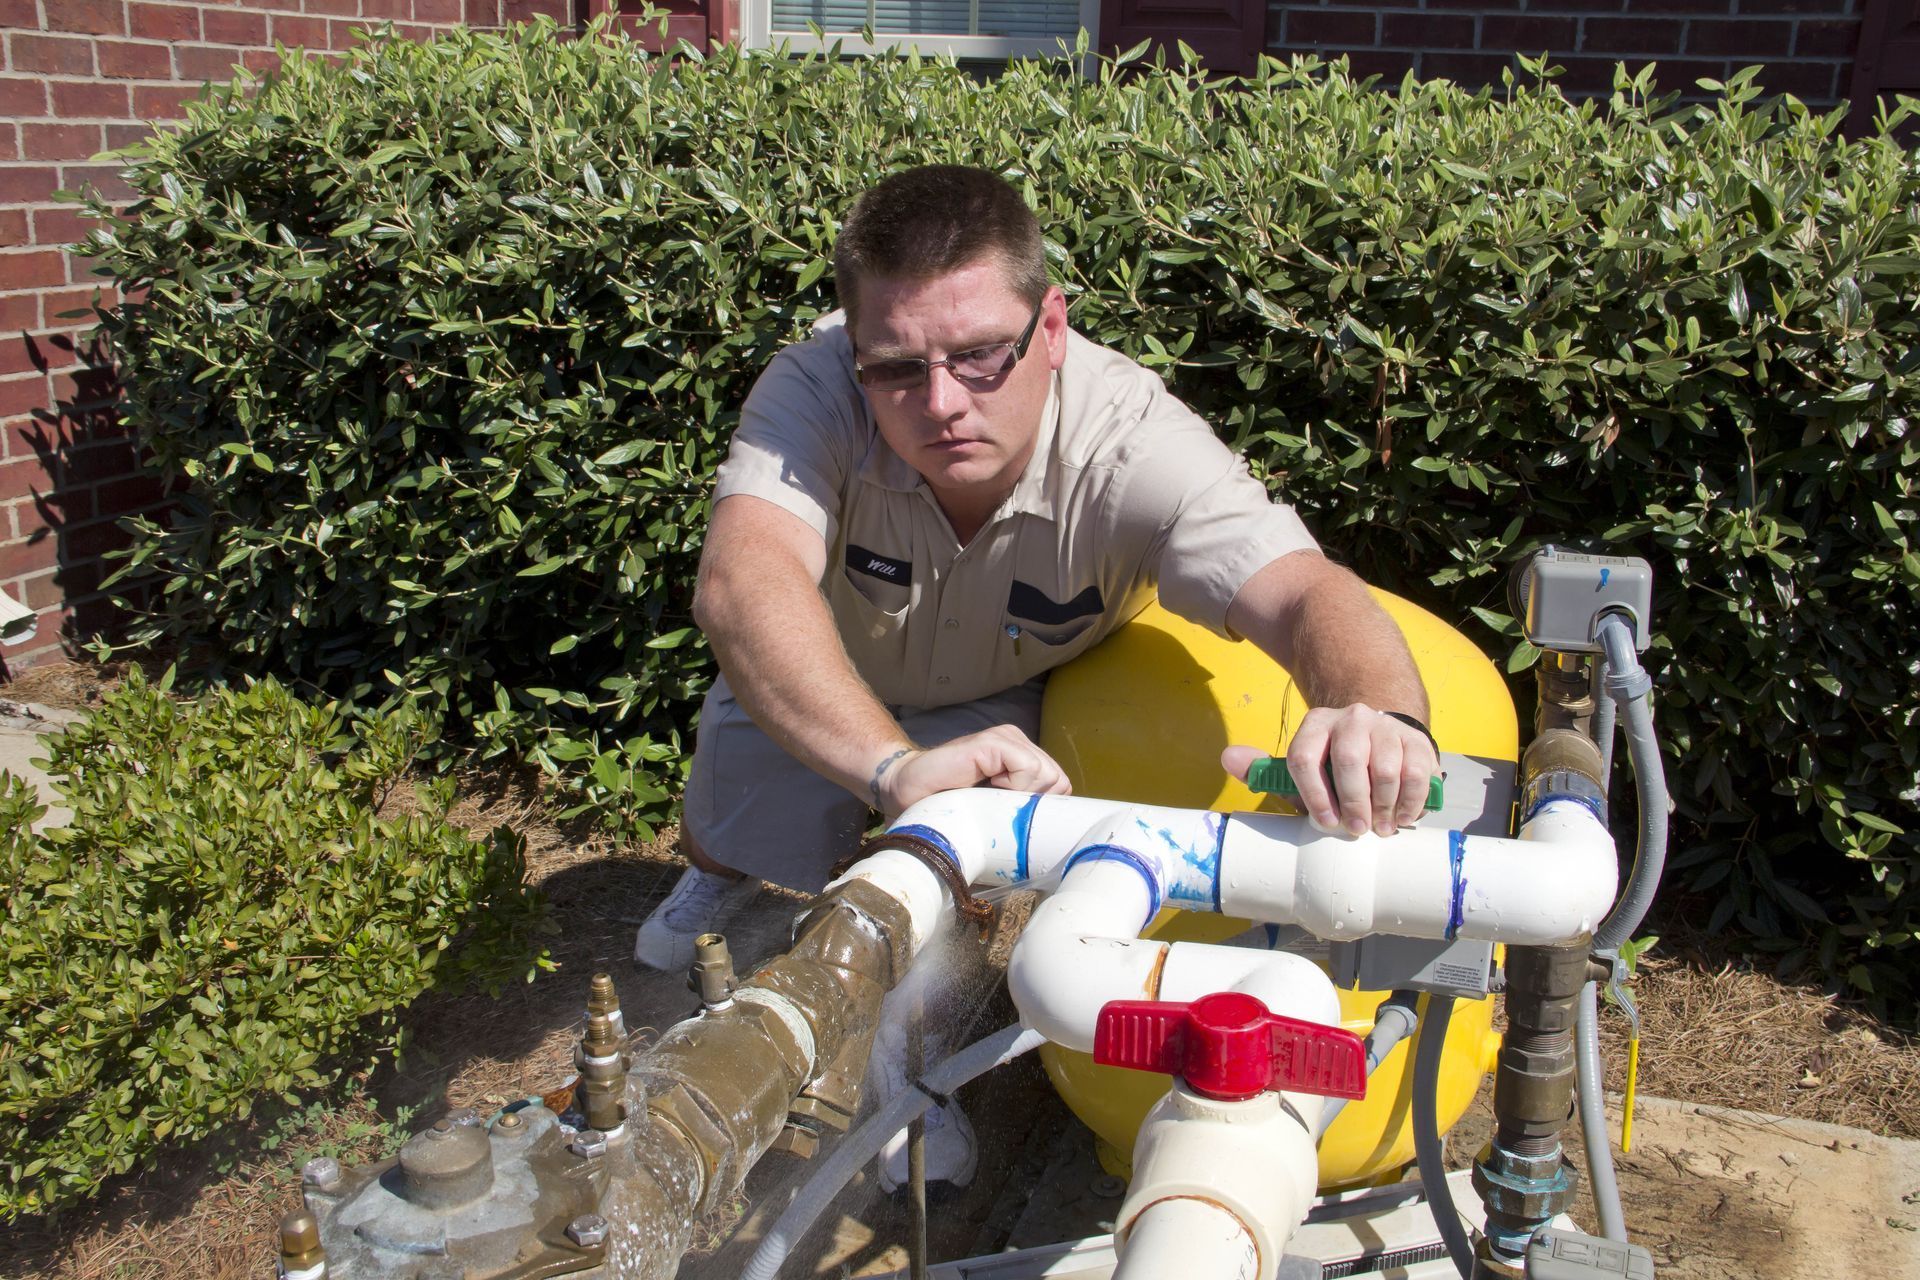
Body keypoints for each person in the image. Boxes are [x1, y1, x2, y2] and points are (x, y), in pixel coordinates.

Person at [635, 164, 1438, 1187]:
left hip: (1006, 698)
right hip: (831, 679)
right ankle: (716, 871)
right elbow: (742, 584)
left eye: (979, 357)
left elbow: (1302, 592)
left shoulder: (1133, 441)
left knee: (946, 877)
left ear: (1050, 326)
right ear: (856, 352)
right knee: (722, 818)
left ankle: (908, 1072)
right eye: (897, 368)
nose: (940, 403)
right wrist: (888, 763)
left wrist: (1375, 712)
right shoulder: (812, 383)